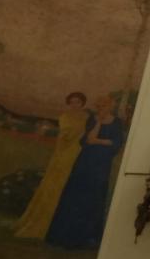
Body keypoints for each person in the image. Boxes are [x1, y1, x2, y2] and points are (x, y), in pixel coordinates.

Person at [45, 94, 126, 249]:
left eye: (104, 106)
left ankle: (87, 239)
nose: (101, 109)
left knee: (94, 196)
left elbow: (116, 143)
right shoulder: (92, 120)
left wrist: (98, 141)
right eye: (99, 106)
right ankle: (64, 236)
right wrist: (98, 123)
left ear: (111, 107)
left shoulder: (116, 123)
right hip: (85, 161)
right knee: (75, 194)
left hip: (101, 164)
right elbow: (87, 140)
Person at [15, 91, 93, 241]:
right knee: (56, 186)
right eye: (71, 102)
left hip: (80, 154)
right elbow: (66, 136)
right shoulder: (65, 117)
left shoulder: (87, 118)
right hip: (64, 155)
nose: (74, 105)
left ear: (83, 103)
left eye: (77, 102)